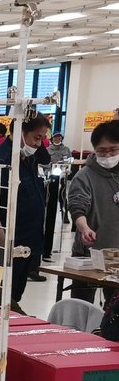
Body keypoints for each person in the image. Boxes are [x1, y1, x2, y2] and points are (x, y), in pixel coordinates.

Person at [0, 114, 50, 310]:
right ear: (20, 132)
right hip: (10, 244)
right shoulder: (1, 161)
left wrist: (37, 144)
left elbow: (46, 158)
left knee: (15, 294)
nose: (39, 143)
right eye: (36, 137)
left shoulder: (27, 156)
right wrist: (2, 242)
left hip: (28, 241)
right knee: (2, 300)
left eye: (42, 138)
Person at [67, 120, 119, 302]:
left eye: (113, 150)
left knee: (114, 309)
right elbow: (77, 206)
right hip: (89, 253)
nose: (108, 155)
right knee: (81, 304)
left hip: (117, 254)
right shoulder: (84, 176)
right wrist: (84, 228)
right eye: (102, 151)